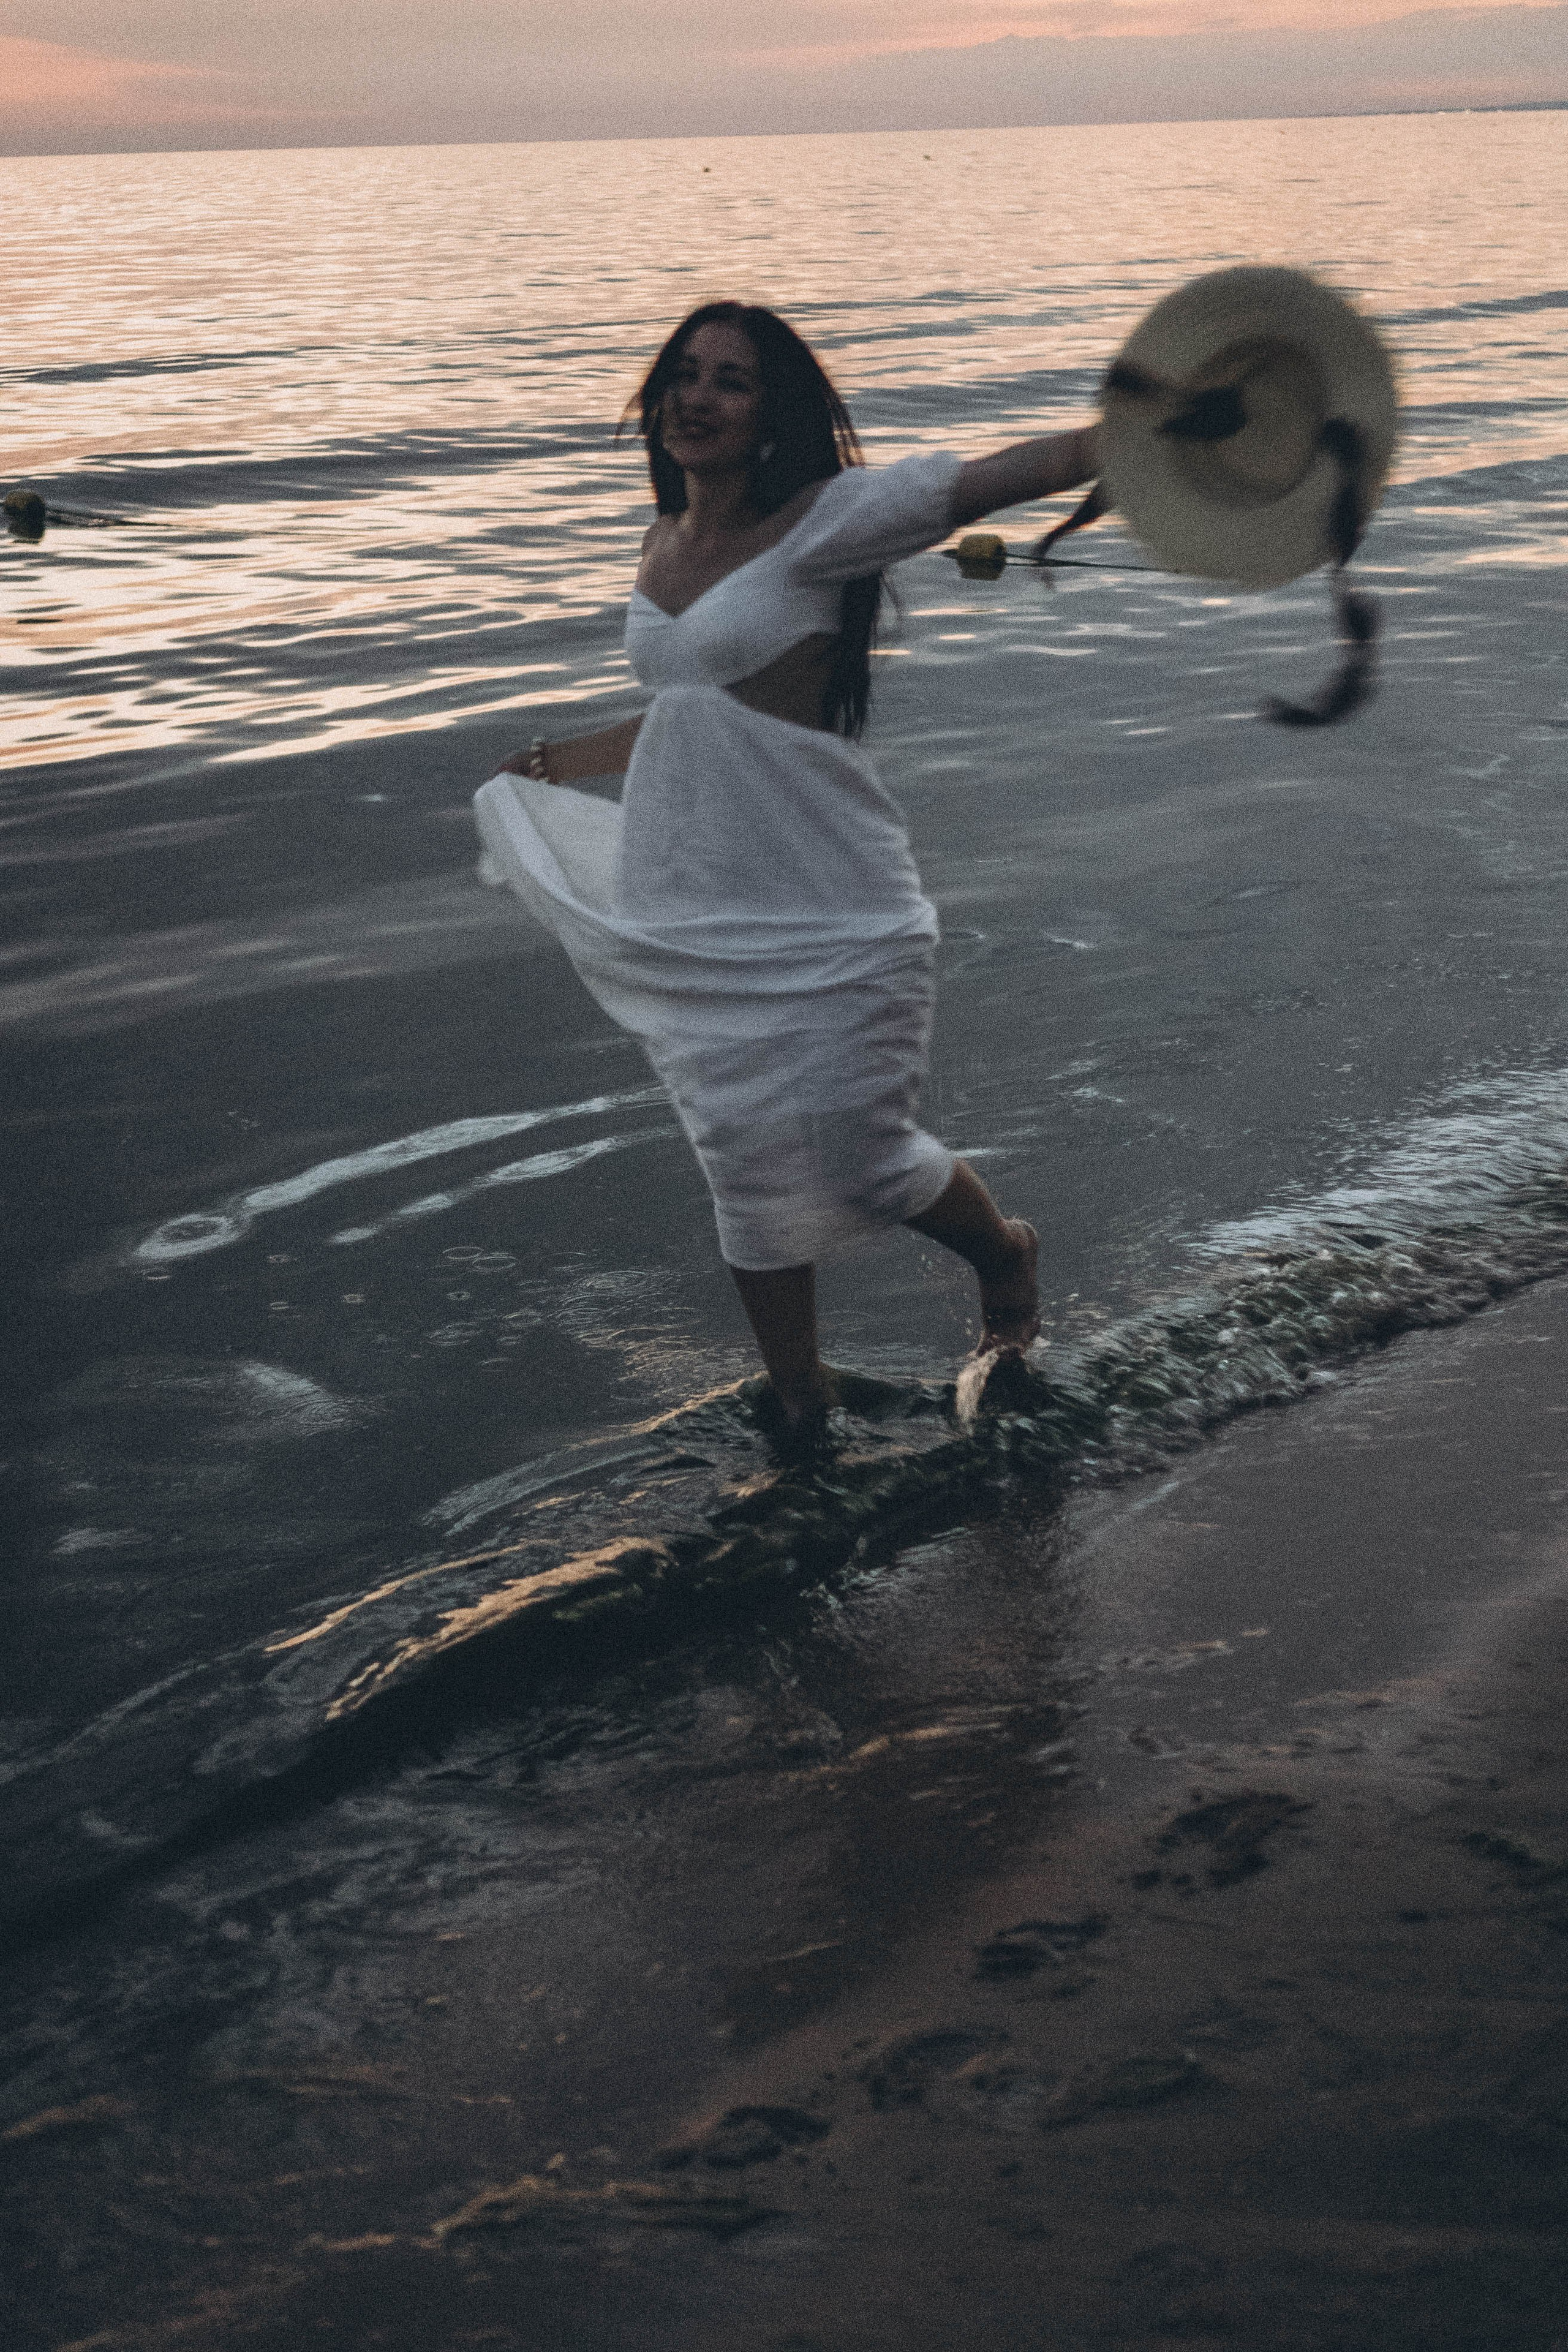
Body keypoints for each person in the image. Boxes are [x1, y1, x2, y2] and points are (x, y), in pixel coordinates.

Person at [474, 301, 1101, 1433]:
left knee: (863, 1165)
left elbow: (981, 481)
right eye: (685, 373)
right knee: (744, 1172)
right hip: (698, 915)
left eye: (732, 383)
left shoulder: (825, 524)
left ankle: (1004, 1254)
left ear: (775, 417)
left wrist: (1113, 446)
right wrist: (569, 759)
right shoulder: (664, 541)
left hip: (838, 913)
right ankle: (800, 1403)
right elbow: (695, 712)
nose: (696, 398)